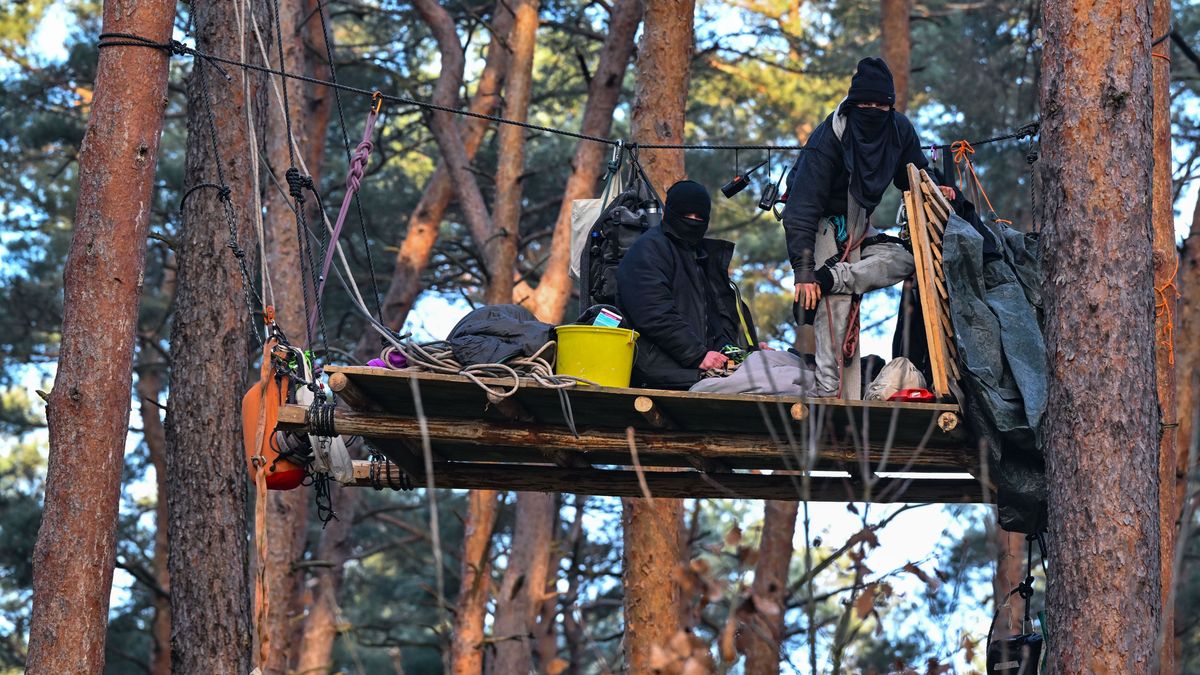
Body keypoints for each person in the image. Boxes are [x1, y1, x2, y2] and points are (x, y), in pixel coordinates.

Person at [781, 56, 955, 398]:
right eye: (865, 104)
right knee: (835, 307)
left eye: (881, 104)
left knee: (908, 260)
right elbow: (800, 210)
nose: (873, 110)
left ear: (890, 106)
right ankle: (828, 395)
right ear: (852, 104)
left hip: (861, 224)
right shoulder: (827, 140)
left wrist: (936, 185)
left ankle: (832, 277)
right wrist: (804, 272)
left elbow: (914, 173)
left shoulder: (898, 130)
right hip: (821, 224)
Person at [616, 180, 758, 390]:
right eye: (686, 216)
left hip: (696, 369)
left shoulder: (700, 257)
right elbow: (654, 314)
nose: (693, 222)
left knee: (781, 367)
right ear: (669, 212)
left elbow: (714, 323)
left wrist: (741, 352)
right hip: (659, 370)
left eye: (699, 218)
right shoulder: (649, 250)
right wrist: (697, 355)